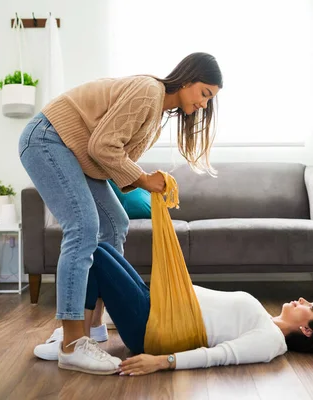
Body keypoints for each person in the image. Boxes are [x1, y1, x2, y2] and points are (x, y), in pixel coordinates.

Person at [19, 52, 223, 374]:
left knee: (115, 223)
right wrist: (143, 179)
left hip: (77, 154)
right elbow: (103, 147)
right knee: (84, 228)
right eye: (204, 94)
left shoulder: (157, 112)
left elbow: (109, 156)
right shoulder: (149, 92)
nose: (203, 104)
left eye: (209, 99)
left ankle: (93, 326)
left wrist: (146, 181)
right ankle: (71, 343)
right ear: (186, 80)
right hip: (49, 140)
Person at [33, 243, 313, 376]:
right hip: (156, 303)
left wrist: (163, 362)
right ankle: (79, 339)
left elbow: (219, 355)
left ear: (307, 329)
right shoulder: (265, 320)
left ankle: (74, 343)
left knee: (93, 254)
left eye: (311, 308)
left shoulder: (271, 342)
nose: (304, 301)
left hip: (151, 325)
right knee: (99, 246)